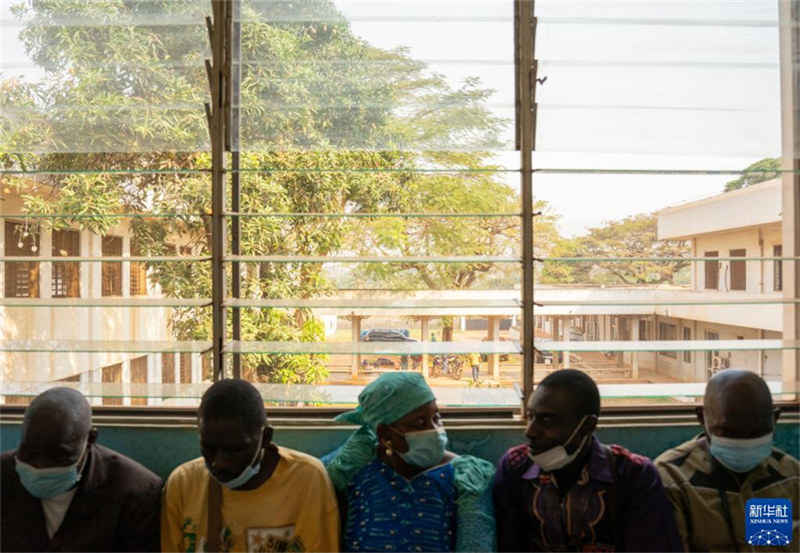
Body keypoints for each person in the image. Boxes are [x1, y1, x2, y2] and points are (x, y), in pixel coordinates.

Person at [493, 369, 682, 552]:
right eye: (531, 417)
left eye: (547, 421)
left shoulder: (633, 476)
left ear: (587, 426)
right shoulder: (515, 468)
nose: (530, 431)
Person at [323, 372, 496, 552]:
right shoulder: (356, 467)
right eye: (419, 424)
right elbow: (309, 480)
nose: (434, 430)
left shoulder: (466, 477)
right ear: (386, 435)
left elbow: (476, 544)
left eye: (436, 418)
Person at [161, 379, 339, 552]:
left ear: (265, 438)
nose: (219, 463)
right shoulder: (183, 484)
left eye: (235, 450)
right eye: (209, 448)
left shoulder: (306, 480)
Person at [0, 387, 162, 552]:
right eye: (29, 453)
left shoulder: (134, 492)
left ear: (90, 439)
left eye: (57, 456)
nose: (40, 467)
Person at [655, 370, 799, 551]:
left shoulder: (789, 477)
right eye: (729, 433)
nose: (744, 444)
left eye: (756, 433)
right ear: (702, 418)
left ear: (775, 419)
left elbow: (771, 545)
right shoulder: (672, 480)